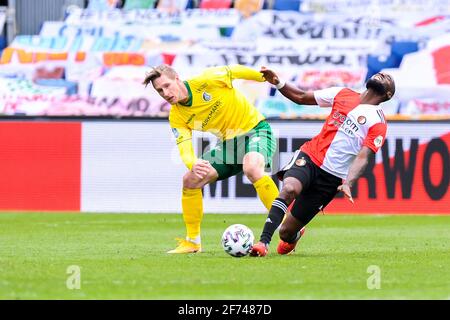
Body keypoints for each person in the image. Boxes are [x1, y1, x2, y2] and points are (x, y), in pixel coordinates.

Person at [250, 68, 395, 257]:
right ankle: (263, 243)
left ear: (388, 94)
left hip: (331, 178)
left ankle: (295, 235)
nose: (382, 75)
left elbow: (363, 156)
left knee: (286, 232)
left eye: (388, 78)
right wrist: (278, 82)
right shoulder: (342, 93)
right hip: (309, 157)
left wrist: (348, 183)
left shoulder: (378, 122)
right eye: (381, 74)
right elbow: (301, 97)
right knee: (290, 189)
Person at [143, 64, 279, 253]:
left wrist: (263, 77)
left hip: (255, 129)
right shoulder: (177, 116)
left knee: (252, 167)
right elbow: (184, 145)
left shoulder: (207, 80)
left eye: (167, 85)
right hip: (228, 145)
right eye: (159, 90)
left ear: (177, 79)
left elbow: (236, 72)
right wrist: (193, 163)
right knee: (190, 179)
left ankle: (285, 222)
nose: (165, 93)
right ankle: (193, 242)